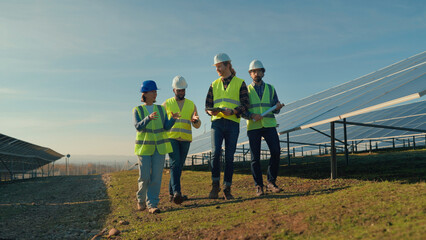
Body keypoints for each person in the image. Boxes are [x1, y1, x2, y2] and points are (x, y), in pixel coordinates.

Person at [205, 53, 250, 200]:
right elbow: (208, 105)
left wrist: (233, 111)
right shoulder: (214, 84)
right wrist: (210, 110)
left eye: (219, 66)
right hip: (217, 122)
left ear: (228, 65)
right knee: (215, 153)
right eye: (216, 67)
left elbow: (245, 104)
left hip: (232, 123)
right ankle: (215, 185)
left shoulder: (240, 83)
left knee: (229, 157)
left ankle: (227, 188)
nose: (217, 69)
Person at [133, 80, 180, 214]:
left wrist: (173, 119)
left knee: (156, 178)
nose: (155, 94)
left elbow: (165, 127)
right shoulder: (138, 110)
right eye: (153, 91)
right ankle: (140, 199)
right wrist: (148, 118)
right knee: (145, 177)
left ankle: (152, 204)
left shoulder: (161, 109)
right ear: (145, 93)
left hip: (159, 149)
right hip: (144, 149)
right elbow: (138, 126)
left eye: (155, 91)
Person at [244, 60, 284, 196]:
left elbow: (275, 108)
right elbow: (242, 110)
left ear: (263, 72)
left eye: (259, 71)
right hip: (254, 126)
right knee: (255, 158)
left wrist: (278, 107)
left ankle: (271, 182)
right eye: (253, 71)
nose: (256, 73)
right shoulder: (246, 90)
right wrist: (251, 115)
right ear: (250, 74)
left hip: (269, 125)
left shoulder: (271, 88)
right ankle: (259, 186)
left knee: (276, 152)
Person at [163, 75, 201, 204]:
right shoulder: (167, 104)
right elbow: (162, 123)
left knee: (178, 166)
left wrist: (196, 121)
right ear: (173, 90)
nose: (181, 92)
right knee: (175, 164)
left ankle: (171, 193)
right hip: (171, 138)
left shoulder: (191, 104)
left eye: (183, 90)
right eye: (179, 90)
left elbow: (197, 125)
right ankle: (177, 193)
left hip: (185, 139)